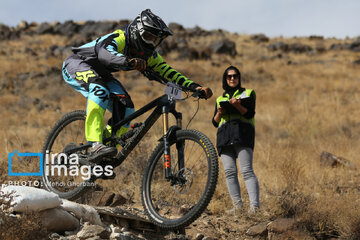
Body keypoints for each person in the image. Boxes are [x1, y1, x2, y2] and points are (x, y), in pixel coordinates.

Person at [62, 9, 212, 160]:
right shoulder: (120, 38)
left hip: (101, 74)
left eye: (155, 40)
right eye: (148, 37)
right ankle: (95, 144)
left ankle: (107, 148)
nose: (151, 43)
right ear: (136, 31)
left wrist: (194, 87)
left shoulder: (149, 56)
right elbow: (104, 53)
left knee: (127, 107)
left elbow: (169, 72)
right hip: (77, 63)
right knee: (100, 91)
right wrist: (128, 61)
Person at [212, 66, 259, 214]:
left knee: (247, 171)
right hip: (224, 139)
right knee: (230, 173)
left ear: (239, 78)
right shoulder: (220, 98)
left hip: (242, 135)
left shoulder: (248, 94)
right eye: (229, 76)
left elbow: (250, 114)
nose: (232, 79)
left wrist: (238, 105)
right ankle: (238, 208)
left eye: (235, 76)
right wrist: (220, 113)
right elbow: (214, 122)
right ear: (225, 79)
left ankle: (254, 208)